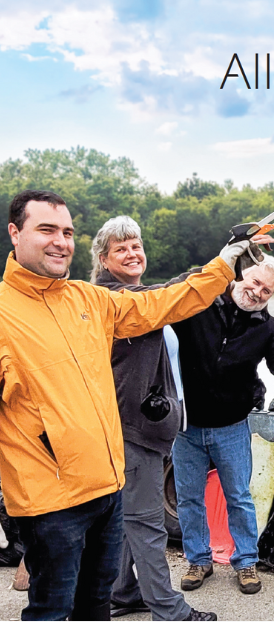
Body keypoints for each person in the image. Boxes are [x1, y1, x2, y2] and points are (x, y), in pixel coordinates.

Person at [0, 190, 253, 620]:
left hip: (108, 488)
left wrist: (225, 262)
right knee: (52, 610)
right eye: (46, 230)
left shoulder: (88, 300)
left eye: (67, 232)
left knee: (96, 607)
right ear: (15, 233)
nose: (61, 241)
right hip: (50, 504)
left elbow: (165, 301)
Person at [91, 216, 216, 621]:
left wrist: (221, 261)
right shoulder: (111, 302)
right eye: (121, 249)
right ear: (104, 260)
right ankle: (169, 610)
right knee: (147, 524)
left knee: (130, 516)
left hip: (144, 430)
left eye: (136, 245)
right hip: (130, 432)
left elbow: (171, 289)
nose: (132, 253)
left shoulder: (139, 295)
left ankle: (124, 593)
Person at [171, 253, 274, 596]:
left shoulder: (266, 327)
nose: (258, 292)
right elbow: (175, 289)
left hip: (232, 426)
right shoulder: (200, 301)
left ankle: (246, 561)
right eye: (255, 282)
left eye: (267, 290)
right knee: (189, 498)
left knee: (240, 497)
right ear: (239, 276)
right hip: (186, 425)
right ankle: (198, 559)